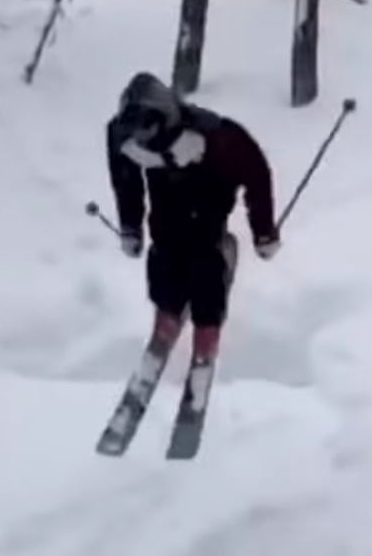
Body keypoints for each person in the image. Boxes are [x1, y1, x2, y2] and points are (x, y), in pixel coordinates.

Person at [106, 71, 280, 367]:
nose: (142, 138)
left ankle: (206, 337)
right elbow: (126, 181)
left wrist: (263, 231)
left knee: (204, 260)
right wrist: (130, 227)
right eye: (135, 132)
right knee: (164, 250)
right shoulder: (122, 135)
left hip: (208, 197)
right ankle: (166, 317)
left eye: (147, 129)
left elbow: (257, 173)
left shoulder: (215, 135)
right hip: (167, 205)